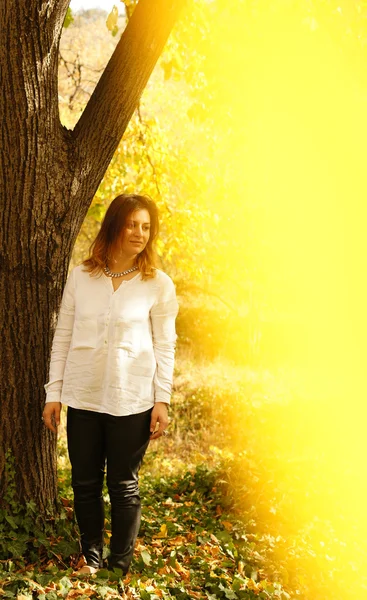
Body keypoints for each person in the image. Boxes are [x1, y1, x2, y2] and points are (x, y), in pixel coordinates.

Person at [43, 193, 178, 575]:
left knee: (123, 485)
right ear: (115, 225)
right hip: (83, 397)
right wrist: (54, 393)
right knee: (85, 484)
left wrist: (162, 400)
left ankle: (118, 567)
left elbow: (165, 346)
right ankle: (91, 559)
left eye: (146, 227)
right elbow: (63, 337)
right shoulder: (81, 277)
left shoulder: (158, 285)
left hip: (131, 400)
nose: (140, 233)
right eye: (133, 224)